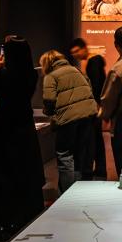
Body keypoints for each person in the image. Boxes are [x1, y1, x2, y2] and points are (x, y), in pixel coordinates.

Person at [0, 36, 44, 232]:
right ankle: (27, 212)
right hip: (24, 123)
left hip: (4, 124)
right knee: (24, 168)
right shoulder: (31, 74)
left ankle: (4, 215)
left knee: (3, 168)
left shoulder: (3, 74)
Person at [40, 50, 98, 192]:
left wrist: (48, 113)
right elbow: (89, 89)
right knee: (79, 155)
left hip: (67, 120)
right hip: (87, 117)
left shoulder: (51, 76)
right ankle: (78, 192)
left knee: (65, 156)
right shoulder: (77, 70)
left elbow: (49, 100)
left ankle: (67, 194)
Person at [69, 38, 108, 178]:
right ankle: (100, 168)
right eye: (73, 53)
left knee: (92, 139)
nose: (75, 55)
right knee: (96, 138)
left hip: (93, 106)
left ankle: (91, 170)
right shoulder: (94, 61)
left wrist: (95, 104)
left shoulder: (93, 62)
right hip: (96, 105)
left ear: (84, 48)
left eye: (76, 51)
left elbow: (96, 85)